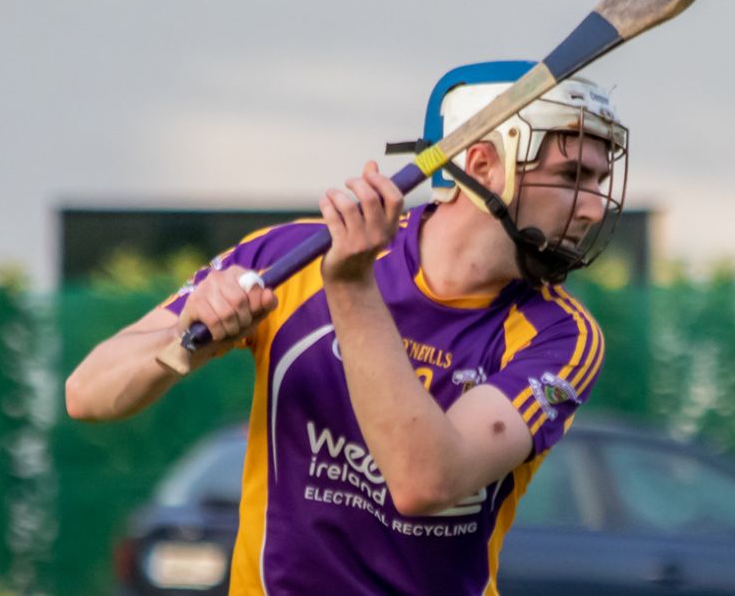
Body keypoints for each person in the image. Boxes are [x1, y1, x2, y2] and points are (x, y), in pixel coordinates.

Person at [65, 60, 629, 595]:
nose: (594, 208)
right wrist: (181, 342)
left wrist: (352, 286)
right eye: (571, 175)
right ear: (482, 165)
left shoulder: (561, 336)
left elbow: (424, 481)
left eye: (598, 179)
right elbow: (86, 394)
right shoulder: (293, 256)